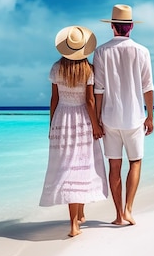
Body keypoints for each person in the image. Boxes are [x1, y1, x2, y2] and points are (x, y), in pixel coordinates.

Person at [39, 25, 108, 237]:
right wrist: (96, 124)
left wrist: (52, 124)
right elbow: (88, 101)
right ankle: (75, 224)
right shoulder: (88, 70)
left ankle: (78, 217)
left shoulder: (56, 68)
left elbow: (54, 99)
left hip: (62, 118)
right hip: (81, 120)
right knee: (81, 167)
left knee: (67, 167)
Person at [93, 4, 154, 225]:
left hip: (109, 118)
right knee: (135, 162)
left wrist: (97, 119)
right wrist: (150, 116)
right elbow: (148, 87)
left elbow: (98, 89)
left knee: (115, 167)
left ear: (112, 26)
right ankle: (129, 209)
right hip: (134, 118)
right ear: (130, 27)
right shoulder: (142, 51)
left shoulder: (100, 52)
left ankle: (118, 215)